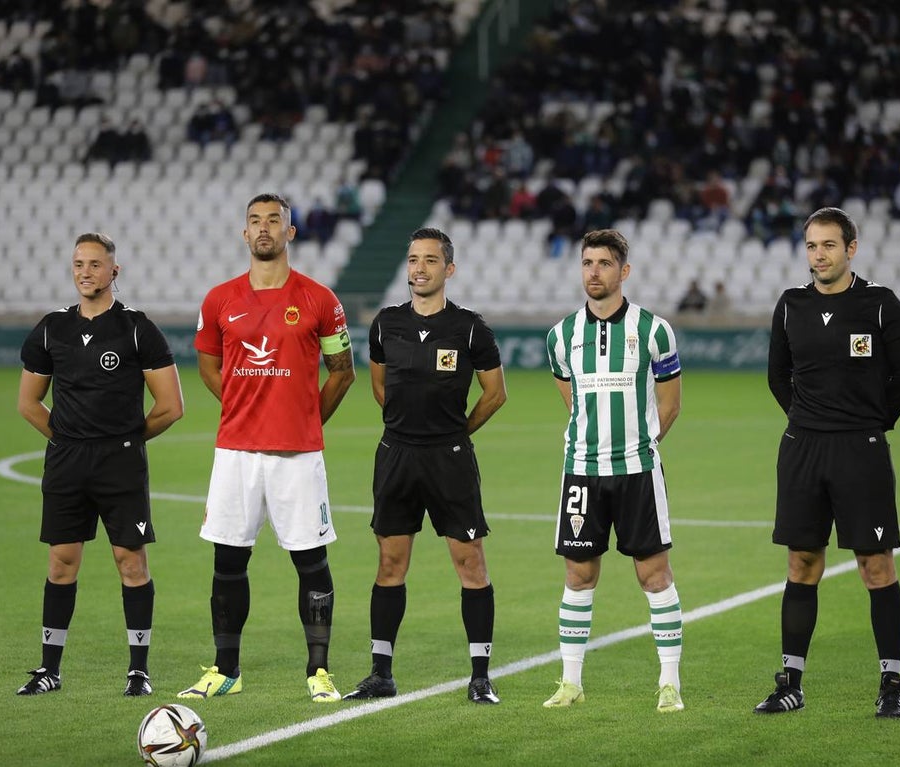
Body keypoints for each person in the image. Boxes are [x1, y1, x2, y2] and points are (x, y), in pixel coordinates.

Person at [179, 193, 356, 703]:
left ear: (290, 232)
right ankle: (225, 669)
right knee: (228, 562)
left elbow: (342, 373)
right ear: (244, 233)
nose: (263, 229)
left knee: (311, 562)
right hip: (235, 453)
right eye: (254, 221)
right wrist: (242, 404)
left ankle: (318, 672)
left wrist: (305, 418)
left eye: (273, 221)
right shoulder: (218, 300)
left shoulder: (322, 300)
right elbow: (210, 369)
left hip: (298, 456)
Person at [753, 206, 900, 718]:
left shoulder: (880, 306)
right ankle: (791, 683)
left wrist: (868, 424)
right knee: (802, 563)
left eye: (828, 245)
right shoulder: (790, 306)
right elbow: (778, 378)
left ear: (851, 248)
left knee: (876, 565)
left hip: (860, 451)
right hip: (802, 448)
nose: (818, 255)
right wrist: (808, 421)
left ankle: (891, 684)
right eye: (810, 246)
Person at [343, 227, 508, 705]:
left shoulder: (470, 327)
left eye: (431, 260)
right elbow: (380, 385)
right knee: (390, 562)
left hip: (450, 459)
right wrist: (404, 428)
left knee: (470, 562)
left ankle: (479, 675)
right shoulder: (385, 323)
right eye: (414, 259)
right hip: (395, 456)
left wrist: (456, 434)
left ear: (448, 269)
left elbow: (495, 394)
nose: (419, 267)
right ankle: (381, 673)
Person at [16, 232, 185, 697]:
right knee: (61, 563)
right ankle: (49, 670)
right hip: (67, 464)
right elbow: (29, 403)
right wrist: (69, 440)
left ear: (115, 271)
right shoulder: (52, 328)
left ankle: (138, 671)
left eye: (95, 263)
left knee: (130, 562)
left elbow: (170, 406)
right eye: (78, 264)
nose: (85, 271)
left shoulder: (136, 328)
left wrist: (124, 441)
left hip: (120, 465)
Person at [543, 229, 686, 713]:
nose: (594, 272)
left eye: (604, 264)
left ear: (624, 271)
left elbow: (670, 404)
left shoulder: (654, 330)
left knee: (654, 574)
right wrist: (594, 440)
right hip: (581, 472)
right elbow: (571, 399)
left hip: (638, 471)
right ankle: (570, 682)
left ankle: (669, 683)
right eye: (587, 263)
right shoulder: (560, 336)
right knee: (578, 575)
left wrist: (639, 442)